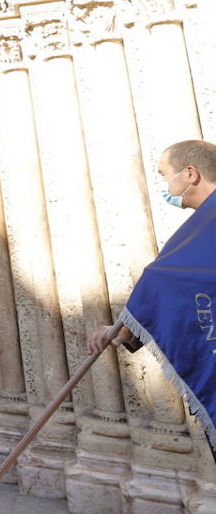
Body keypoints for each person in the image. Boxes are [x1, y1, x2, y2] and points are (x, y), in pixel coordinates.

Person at [88, 140, 216, 446]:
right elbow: (190, 298)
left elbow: (171, 281)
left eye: (164, 175)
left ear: (190, 174)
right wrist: (129, 332)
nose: (164, 184)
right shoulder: (200, 227)